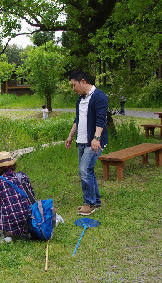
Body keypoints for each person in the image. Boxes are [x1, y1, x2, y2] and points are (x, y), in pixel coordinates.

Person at [65, 70, 108, 216]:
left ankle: (88, 204)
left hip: (94, 141)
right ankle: (95, 202)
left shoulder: (99, 96)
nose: (73, 89)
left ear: (83, 81)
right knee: (88, 170)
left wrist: (96, 138)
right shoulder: (80, 99)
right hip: (81, 141)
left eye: (74, 85)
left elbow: (101, 119)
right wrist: (71, 136)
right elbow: (78, 120)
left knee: (84, 170)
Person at [0, 151, 36, 243]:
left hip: (10, 219)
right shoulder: (23, 176)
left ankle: (7, 235)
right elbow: (32, 195)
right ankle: (27, 230)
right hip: (29, 216)